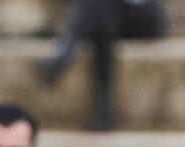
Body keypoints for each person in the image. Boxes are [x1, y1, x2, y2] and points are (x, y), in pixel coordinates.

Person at [35, 0, 168, 131]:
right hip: (108, 21)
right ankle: (104, 108)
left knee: (100, 9)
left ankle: (66, 50)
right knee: (102, 20)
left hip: (146, 17)